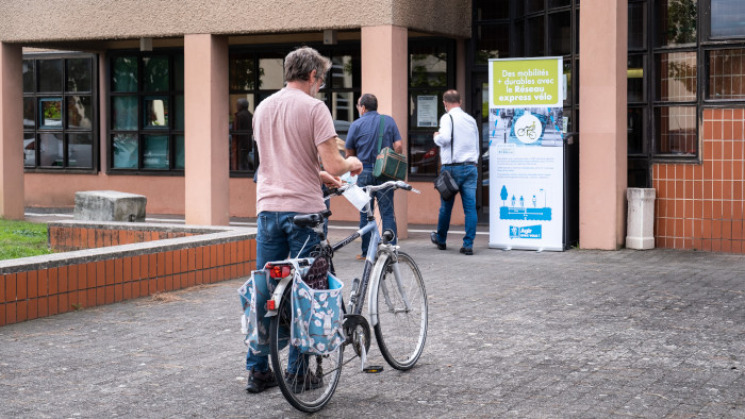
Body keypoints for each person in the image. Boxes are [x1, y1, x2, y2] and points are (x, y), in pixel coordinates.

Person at [246, 46, 363, 393]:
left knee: (266, 289)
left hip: (268, 208)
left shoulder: (263, 108)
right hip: (304, 214)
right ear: (313, 76)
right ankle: (298, 373)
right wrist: (351, 165)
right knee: (305, 292)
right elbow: (335, 163)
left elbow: (279, 160)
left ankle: (257, 370)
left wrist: (319, 174)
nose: (320, 86)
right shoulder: (315, 108)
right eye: (321, 80)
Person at [345, 93, 403, 260]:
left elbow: (349, 152)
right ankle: (391, 250)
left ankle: (367, 253)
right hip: (384, 172)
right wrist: (390, 160)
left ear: (363, 107)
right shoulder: (389, 121)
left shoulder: (356, 124)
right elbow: (398, 145)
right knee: (387, 212)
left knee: (365, 213)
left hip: (363, 172)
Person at [430, 89, 480, 255]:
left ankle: (441, 239)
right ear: (460, 101)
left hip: (452, 168)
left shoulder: (447, 117)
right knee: (470, 208)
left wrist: (436, 136)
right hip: (471, 167)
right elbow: (476, 144)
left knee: (446, 207)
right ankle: (468, 245)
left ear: (445, 103)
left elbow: (444, 139)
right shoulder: (471, 120)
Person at [232, 98, 253, 170]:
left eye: (237, 105)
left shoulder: (240, 116)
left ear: (241, 106)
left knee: (241, 162)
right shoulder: (250, 115)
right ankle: (246, 172)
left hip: (240, 143)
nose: (236, 106)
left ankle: (242, 173)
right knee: (245, 161)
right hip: (247, 142)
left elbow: (237, 130)